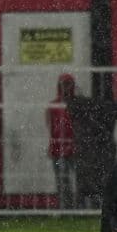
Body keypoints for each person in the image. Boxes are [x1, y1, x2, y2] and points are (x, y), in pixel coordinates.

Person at [67, 80, 117, 208]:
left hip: (88, 147)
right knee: (103, 179)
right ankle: (101, 205)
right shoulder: (109, 108)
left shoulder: (83, 106)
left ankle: (83, 205)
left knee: (87, 179)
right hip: (103, 147)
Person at [47, 74, 77, 209]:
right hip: (59, 147)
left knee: (77, 179)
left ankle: (76, 206)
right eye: (64, 84)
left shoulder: (76, 104)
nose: (67, 87)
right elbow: (51, 126)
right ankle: (65, 206)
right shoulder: (54, 105)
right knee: (61, 179)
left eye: (69, 84)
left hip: (74, 146)